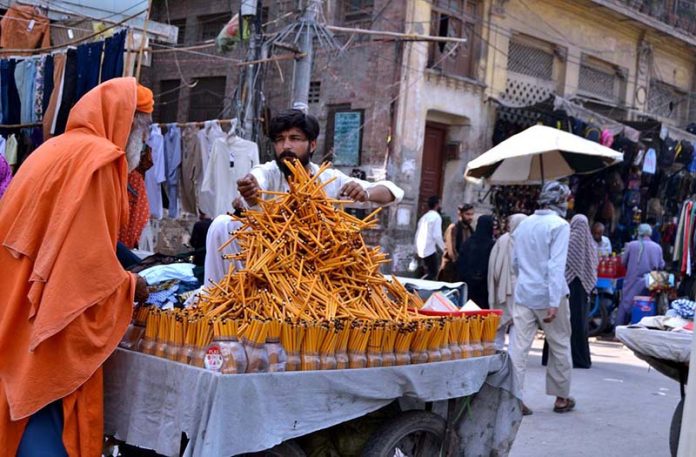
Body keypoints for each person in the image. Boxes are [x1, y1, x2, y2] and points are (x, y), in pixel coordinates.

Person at [0, 78, 151, 455]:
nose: (145, 142)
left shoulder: (53, 149)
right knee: (44, 411)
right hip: (48, 316)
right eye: (144, 128)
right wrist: (131, 286)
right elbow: (84, 271)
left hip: (13, 298)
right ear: (125, 120)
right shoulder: (100, 160)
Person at [204, 109, 404, 284]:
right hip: (267, 266)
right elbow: (257, 178)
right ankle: (218, 298)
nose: (286, 146)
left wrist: (365, 193)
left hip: (315, 269)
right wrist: (251, 190)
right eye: (280, 140)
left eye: (294, 138)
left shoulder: (327, 179)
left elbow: (391, 192)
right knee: (223, 223)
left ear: (313, 145)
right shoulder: (270, 173)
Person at [509, 181, 574, 415]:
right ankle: (561, 398)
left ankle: (513, 397)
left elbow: (515, 264)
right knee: (559, 344)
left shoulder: (523, 225)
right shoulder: (560, 226)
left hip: (524, 293)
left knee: (519, 346)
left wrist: (526, 279)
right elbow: (556, 266)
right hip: (549, 295)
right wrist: (554, 301)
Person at [543, 214, 597, 369]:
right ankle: (579, 358)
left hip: (565, 284)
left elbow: (557, 260)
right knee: (578, 322)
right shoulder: (590, 243)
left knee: (559, 322)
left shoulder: (568, 239)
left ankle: (552, 357)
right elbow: (593, 266)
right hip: (580, 288)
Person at [488, 213, 527, 349]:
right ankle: (513, 353)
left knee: (501, 322)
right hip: (520, 287)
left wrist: (497, 282)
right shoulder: (527, 242)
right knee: (516, 322)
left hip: (502, 288)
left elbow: (494, 266)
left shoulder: (502, 240)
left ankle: (497, 349)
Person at [618, 223, 664, 326]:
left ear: (638, 232)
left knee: (625, 304)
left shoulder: (631, 245)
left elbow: (623, 262)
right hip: (651, 282)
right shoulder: (657, 247)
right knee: (648, 304)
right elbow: (661, 265)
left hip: (632, 280)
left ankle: (618, 329)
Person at [457, 215, 495, 308]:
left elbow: (461, 263)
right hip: (484, 287)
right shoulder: (492, 245)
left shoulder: (468, 243)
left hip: (468, 285)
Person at [439, 203, 475, 282]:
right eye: (467, 214)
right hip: (451, 269)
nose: (470, 217)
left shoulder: (470, 230)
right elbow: (452, 251)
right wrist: (460, 263)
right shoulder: (453, 228)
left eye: (472, 214)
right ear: (460, 214)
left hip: (463, 270)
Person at [415, 196, 446, 280]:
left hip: (421, 248)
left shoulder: (424, 217)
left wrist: (416, 249)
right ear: (437, 205)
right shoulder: (436, 217)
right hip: (429, 249)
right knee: (433, 273)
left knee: (424, 272)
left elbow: (417, 233)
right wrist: (444, 249)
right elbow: (437, 235)